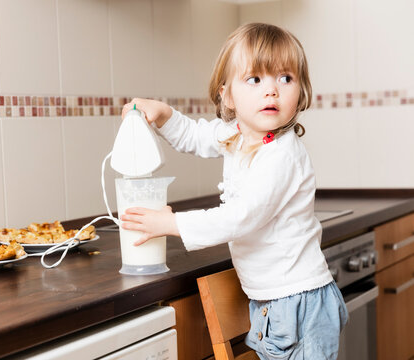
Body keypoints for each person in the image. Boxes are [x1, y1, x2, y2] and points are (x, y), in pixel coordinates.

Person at [120, 23, 348, 359]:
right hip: (276, 299)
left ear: (301, 92)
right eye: (255, 79)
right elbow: (195, 137)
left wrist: (172, 224)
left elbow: (240, 218)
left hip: (298, 303)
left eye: (285, 78)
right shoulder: (239, 135)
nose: (272, 91)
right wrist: (164, 114)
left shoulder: (282, 155)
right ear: (227, 95)